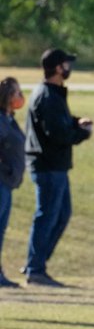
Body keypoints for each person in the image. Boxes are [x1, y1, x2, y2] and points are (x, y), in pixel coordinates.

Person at [23, 48, 92, 287]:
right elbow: (57, 133)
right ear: (57, 68)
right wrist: (81, 134)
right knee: (47, 216)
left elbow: (61, 122)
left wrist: (76, 121)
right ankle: (35, 268)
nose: (69, 68)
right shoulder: (48, 96)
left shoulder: (53, 94)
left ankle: (37, 262)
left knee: (60, 215)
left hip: (56, 166)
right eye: (66, 64)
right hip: (49, 166)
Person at [0, 78, 26, 287]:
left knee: (1, 230)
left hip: (8, 184)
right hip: (1, 182)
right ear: (8, 97)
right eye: (17, 93)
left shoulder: (9, 119)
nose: (21, 97)